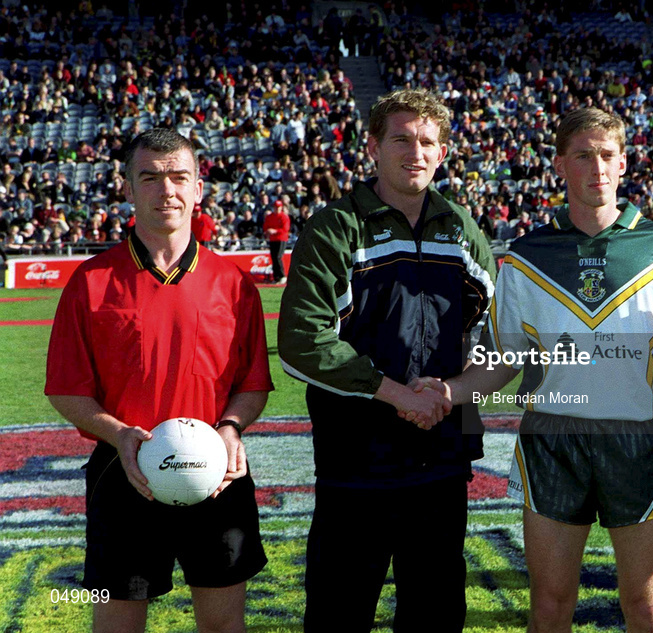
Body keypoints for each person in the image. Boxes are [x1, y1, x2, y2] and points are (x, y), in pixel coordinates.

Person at [414, 107, 653, 632]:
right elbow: (500, 362)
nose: (597, 167)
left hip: (639, 440)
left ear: (624, 162)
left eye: (607, 155)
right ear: (560, 164)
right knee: (550, 604)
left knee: (648, 607)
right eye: (583, 155)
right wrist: (449, 391)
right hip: (551, 441)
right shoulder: (525, 256)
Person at [276, 89, 496, 633]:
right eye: (401, 138)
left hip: (444, 458)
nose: (414, 151)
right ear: (373, 146)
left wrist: (451, 395)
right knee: (339, 615)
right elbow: (303, 339)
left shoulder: (462, 229)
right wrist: (400, 395)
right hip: (357, 462)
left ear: (442, 152)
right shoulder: (336, 227)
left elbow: (497, 339)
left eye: (427, 141)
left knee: (436, 616)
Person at [44, 129, 274, 633]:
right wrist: (119, 433)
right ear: (127, 188)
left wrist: (232, 429)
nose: (165, 189)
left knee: (223, 628)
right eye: (149, 177)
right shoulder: (90, 281)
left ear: (197, 188)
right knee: (117, 628)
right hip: (122, 470)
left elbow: (254, 383)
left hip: (218, 475)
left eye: (178, 177)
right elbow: (66, 388)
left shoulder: (234, 284)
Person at [262, 198, 290, 283]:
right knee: (274, 257)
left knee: (278, 256)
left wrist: (275, 231)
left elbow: (285, 229)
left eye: (278, 207)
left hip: (281, 238)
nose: (277, 209)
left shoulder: (284, 217)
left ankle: (282, 275)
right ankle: (276, 277)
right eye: (275, 207)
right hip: (273, 239)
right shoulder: (270, 217)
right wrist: (267, 232)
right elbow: (265, 227)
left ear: (281, 207)